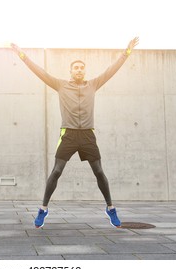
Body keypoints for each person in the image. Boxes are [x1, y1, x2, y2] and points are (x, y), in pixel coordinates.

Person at [11, 37, 139, 228]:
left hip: (88, 134)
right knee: (56, 171)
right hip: (68, 134)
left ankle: (110, 208)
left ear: (84, 71)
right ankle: (43, 209)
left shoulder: (93, 84)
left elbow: (111, 70)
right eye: (76, 67)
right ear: (71, 71)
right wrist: (22, 55)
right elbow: (40, 72)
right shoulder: (61, 85)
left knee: (99, 172)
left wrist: (126, 52)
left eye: (82, 67)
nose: (79, 70)